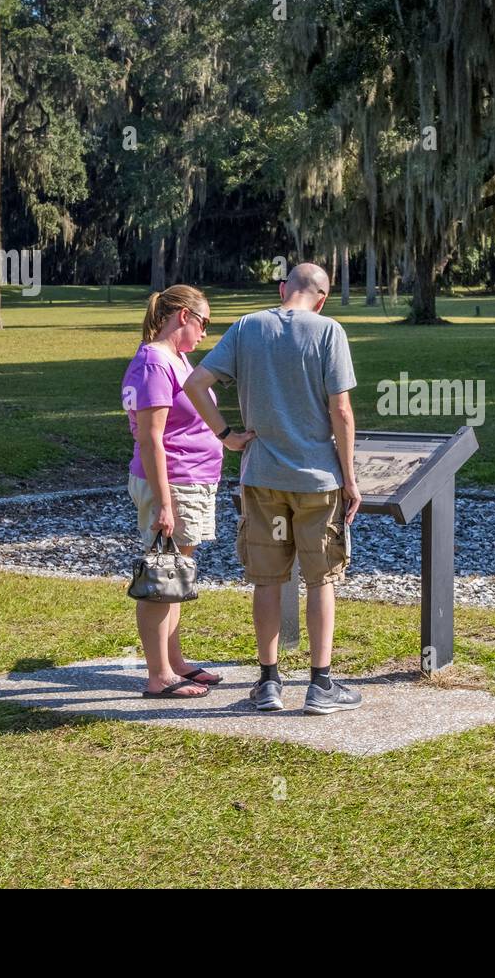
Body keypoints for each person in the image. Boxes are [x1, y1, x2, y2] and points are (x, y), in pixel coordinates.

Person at [183, 263, 362, 715]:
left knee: (267, 579)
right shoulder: (328, 332)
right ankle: (320, 685)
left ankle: (268, 682)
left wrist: (227, 435)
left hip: (261, 477)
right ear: (321, 298)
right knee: (321, 579)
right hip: (318, 481)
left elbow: (195, 383)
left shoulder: (246, 327)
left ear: (284, 289)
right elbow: (341, 411)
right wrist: (350, 478)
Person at [121, 284, 255, 698]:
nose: (205, 334)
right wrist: (164, 502)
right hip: (173, 482)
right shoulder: (154, 363)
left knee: (176, 572)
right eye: (204, 323)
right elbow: (150, 438)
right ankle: (159, 676)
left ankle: (174, 662)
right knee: (162, 574)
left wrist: (227, 437)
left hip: (191, 479)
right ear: (183, 316)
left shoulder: (176, 359)